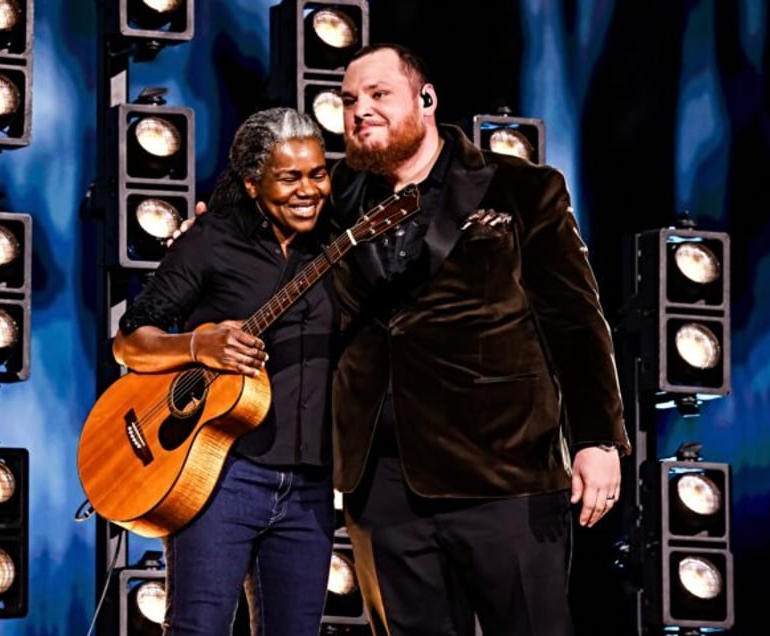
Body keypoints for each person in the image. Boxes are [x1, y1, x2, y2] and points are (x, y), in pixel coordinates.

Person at [328, 43, 632, 636]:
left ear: (426, 99)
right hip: (382, 485)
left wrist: (596, 437)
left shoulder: (521, 189)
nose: (360, 110)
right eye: (348, 100)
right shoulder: (332, 199)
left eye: (378, 94)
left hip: (503, 471)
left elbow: (575, 318)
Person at [112, 107, 337, 635]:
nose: (308, 190)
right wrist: (196, 344)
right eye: (289, 178)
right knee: (198, 628)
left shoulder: (339, 243)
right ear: (254, 184)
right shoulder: (212, 239)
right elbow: (130, 341)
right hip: (220, 475)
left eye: (318, 173)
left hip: (310, 487)